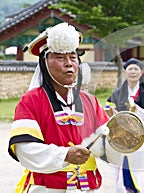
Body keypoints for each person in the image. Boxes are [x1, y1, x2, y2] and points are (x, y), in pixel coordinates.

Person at [8, 22, 110, 192]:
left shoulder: (90, 101)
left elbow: (103, 146)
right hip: (46, 187)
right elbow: (24, 148)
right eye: (60, 57)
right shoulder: (31, 100)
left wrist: (118, 136)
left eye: (73, 57)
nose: (69, 63)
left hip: (86, 187)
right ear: (44, 63)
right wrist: (65, 155)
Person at [105, 58, 144, 193]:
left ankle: (140, 189)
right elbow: (109, 110)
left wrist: (136, 109)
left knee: (140, 166)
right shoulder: (117, 93)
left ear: (141, 72)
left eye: (136, 69)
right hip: (121, 135)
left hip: (141, 135)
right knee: (121, 166)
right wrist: (112, 113)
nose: (133, 72)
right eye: (130, 69)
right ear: (124, 71)